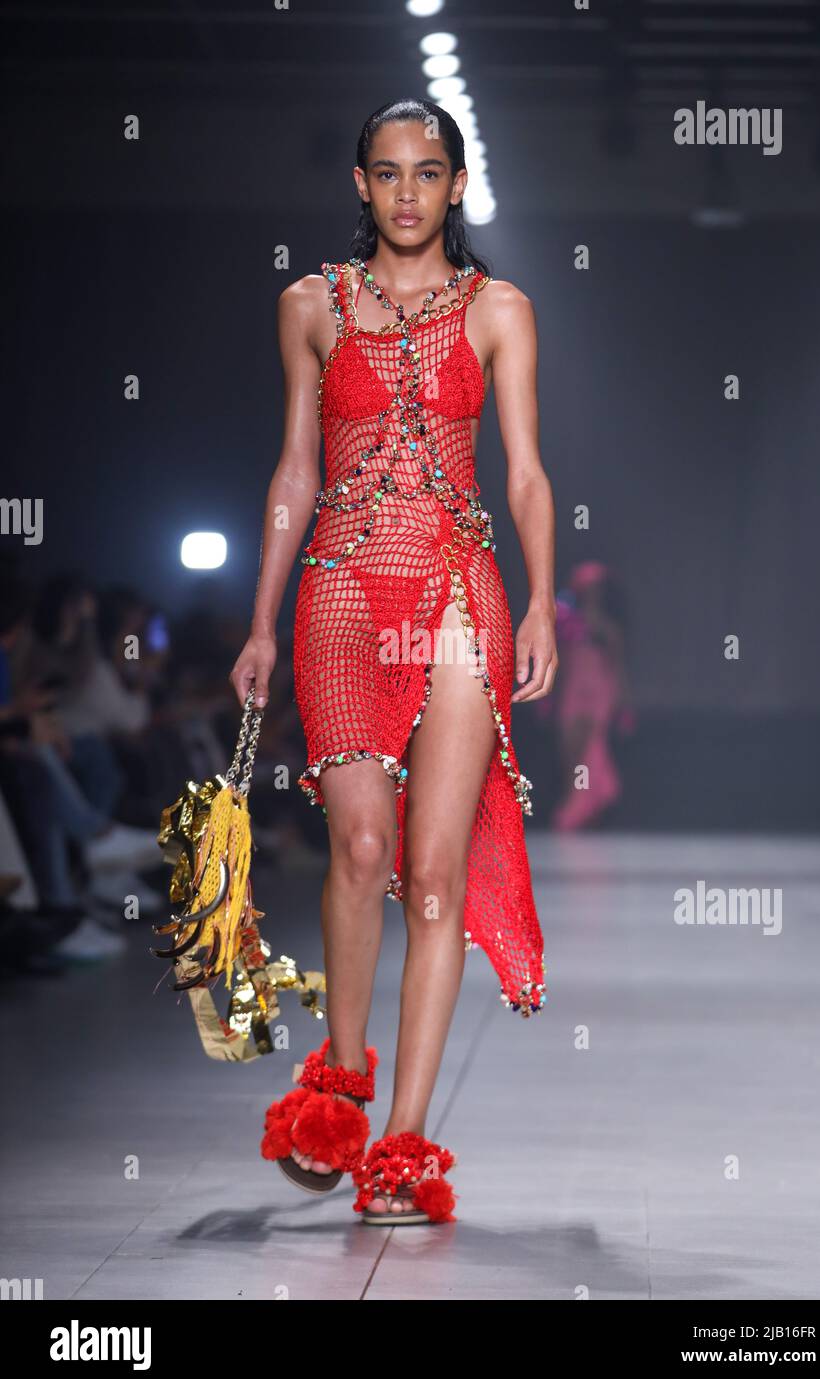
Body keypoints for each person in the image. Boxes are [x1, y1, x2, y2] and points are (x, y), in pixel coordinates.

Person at [231, 99, 557, 1224]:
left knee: (431, 874)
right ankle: (341, 1073)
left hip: (456, 585)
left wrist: (543, 602)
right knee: (360, 846)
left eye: (429, 171)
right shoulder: (309, 306)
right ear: (360, 185)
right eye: (388, 172)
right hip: (337, 592)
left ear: (456, 186)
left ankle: (405, 1142)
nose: (409, 191)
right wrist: (263, 620)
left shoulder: (499, 309)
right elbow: (291, 471)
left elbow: (521, 473)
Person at [544, 561, 633, 831]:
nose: (592, 593)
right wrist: (549, 695)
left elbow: (618, 667)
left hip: (598, 690)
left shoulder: (608, 628)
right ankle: (583, 803)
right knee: (569, 749)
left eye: (596, 589)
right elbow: (558, 660)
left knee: (590, 746)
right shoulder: (565, 620)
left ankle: (580, 810)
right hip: (573, 687)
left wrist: (624, 704)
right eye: (588, 588)